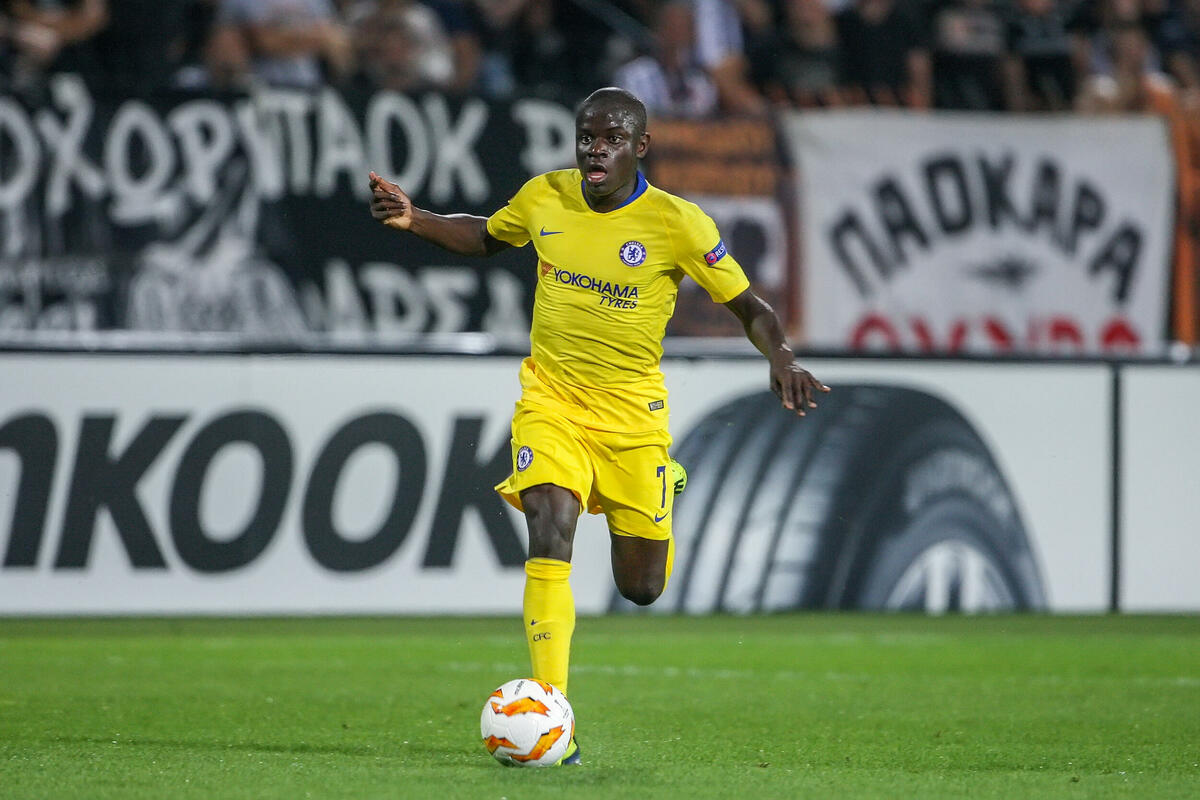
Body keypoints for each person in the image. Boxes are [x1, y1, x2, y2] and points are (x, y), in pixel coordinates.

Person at [367, 87, 828, 766]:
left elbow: (748, 305)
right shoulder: (546, 196)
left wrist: (781, 356)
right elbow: (486, 236)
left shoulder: (677, 222)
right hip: (551, 400)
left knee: (642, 587)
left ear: (640, 146)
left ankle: (664, 480)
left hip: (631, 417)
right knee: (548, 520)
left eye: (612, 139)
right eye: (587, 137)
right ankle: (552, 713)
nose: (595, 150)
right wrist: (416, 219)